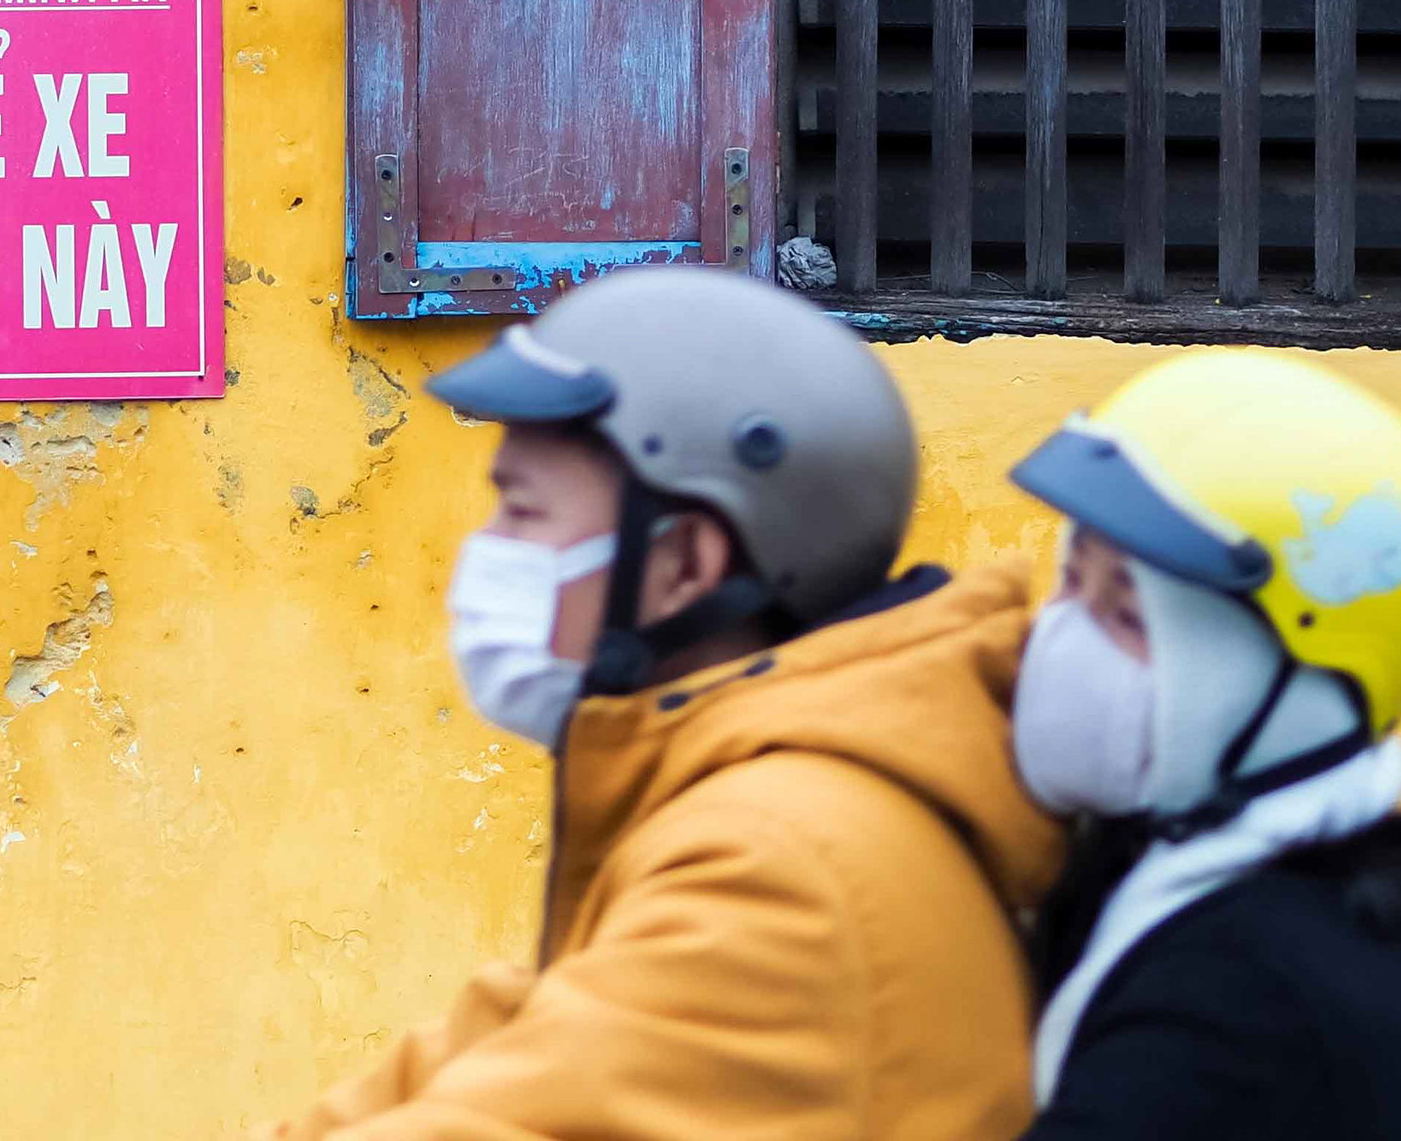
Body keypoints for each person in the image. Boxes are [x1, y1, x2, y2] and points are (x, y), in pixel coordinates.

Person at [261, 264, 1063, 1141]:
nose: (485, 550)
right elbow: (488, 1054)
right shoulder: (720, 803)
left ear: (684, 565)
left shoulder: (774, 867)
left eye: (523, 513)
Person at [1003, 349, 1401, 1141]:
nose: (1061, 642)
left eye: (1128, 616)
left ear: (1294, 690)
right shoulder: (1171, 866)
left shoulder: (1246, 995)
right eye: (1068, 583)